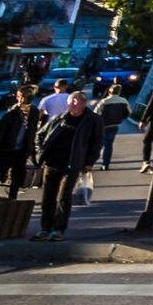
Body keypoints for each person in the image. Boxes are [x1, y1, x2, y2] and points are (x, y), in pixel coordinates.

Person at [32, 90, 104, 240]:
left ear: (84, 103)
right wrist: (41, 152)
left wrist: (90, 161)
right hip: (51, 163)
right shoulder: (60, 117)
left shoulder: (93, 120)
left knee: (64, 197)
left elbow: (97, 143)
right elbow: (40, 134)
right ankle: (45, 228)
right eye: (71, 101)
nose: (72, 104)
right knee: (48, 197)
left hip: (73, 164)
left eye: (76, 101)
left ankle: (59, 229)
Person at [0, 85, 37, 198]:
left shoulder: (34, 112)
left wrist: (31, 150)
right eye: (22, 96)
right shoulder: (11, 113)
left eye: (28, 96)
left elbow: (32, 132)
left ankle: (12, 200)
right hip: (5, 151)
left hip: (21, 151)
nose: (24, 99)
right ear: (17, 97)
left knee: (17, 178)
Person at [94, 83, 133, 170]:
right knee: (109, 145)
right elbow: (129, 112)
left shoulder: (104, 101)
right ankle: (105, 164)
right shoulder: (123, 101)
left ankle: (91, 162)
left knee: (98, 145)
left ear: (110, 91)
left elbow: (96, 114)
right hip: (115, 125)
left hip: (103, 126)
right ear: (119, 92)